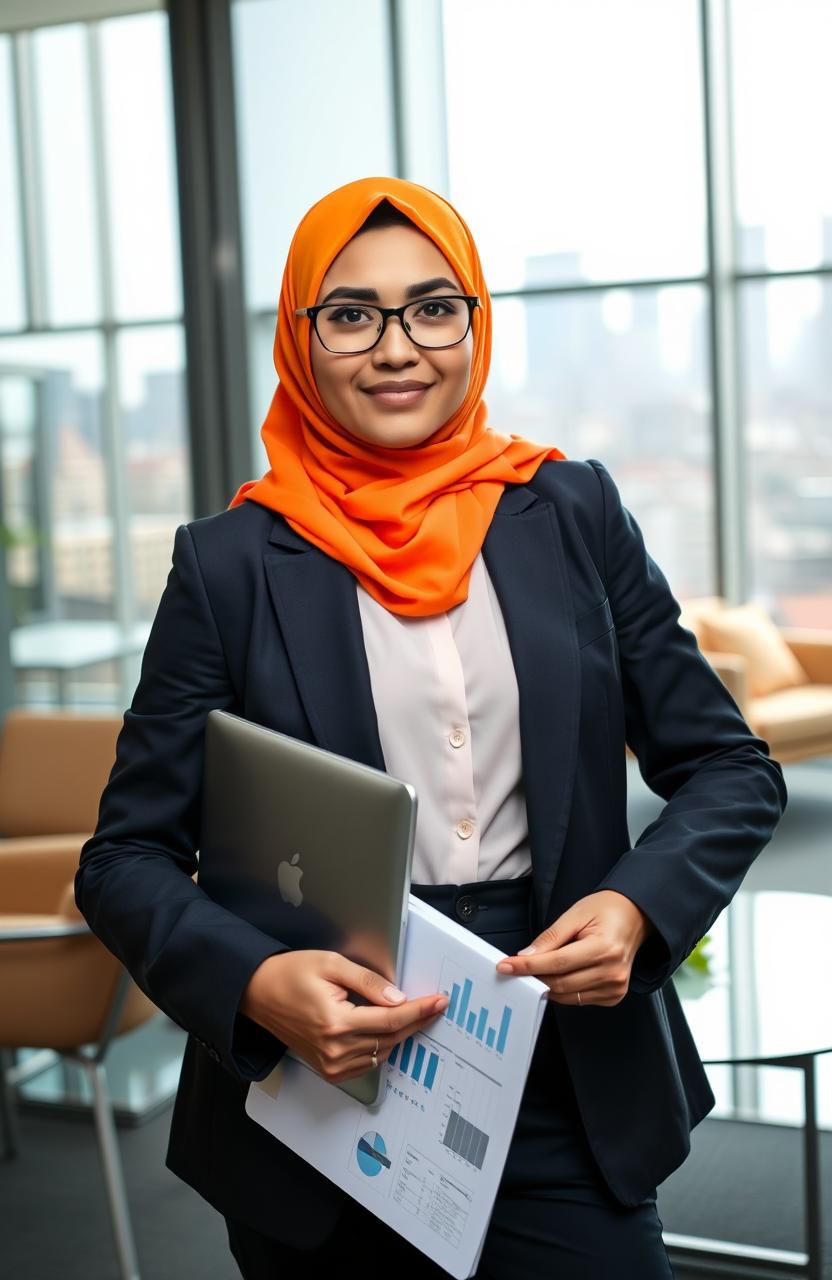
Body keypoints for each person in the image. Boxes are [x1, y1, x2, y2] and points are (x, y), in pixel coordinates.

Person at [76, 176, 787, 1279]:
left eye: (432, 306)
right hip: (320, 1076)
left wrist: (640, 907)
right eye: (351, 313)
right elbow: (124, 858)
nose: (397, 346)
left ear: (474, 320)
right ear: (302, 338)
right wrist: (258, 985)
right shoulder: (228, 564)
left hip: (561, 1055)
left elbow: (729, 767)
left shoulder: (573, 511)